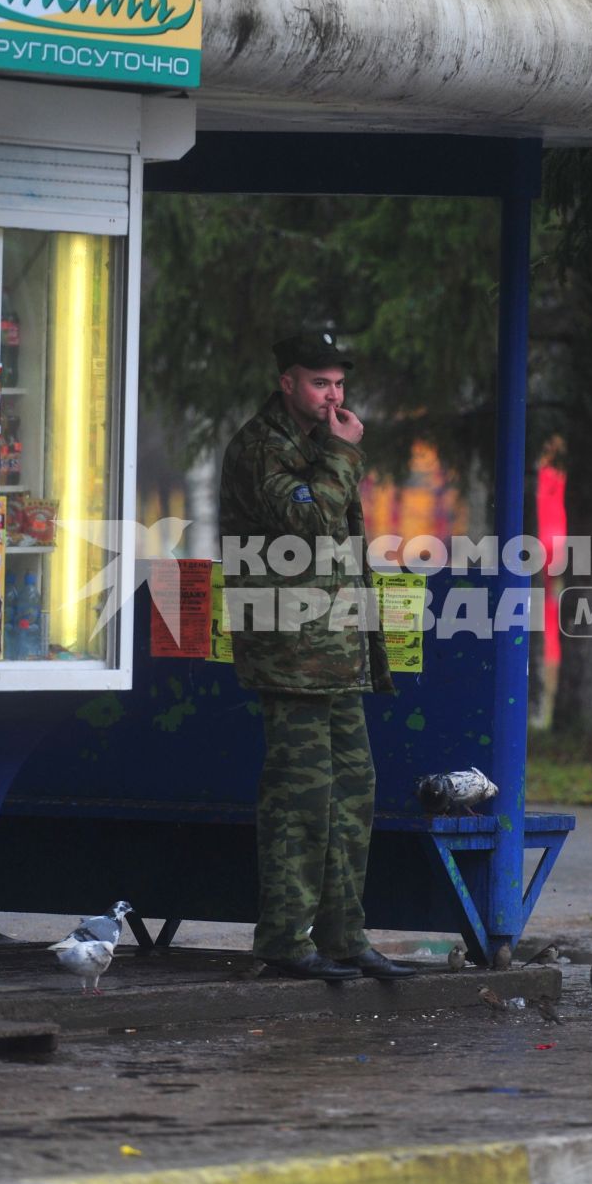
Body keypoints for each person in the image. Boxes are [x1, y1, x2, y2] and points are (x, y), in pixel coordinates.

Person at [218, 331, 413, 981]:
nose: (333, 395)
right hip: (287, 651)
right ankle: (282, 938)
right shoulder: (260, 448)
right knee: (300, 799)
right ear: (287, 383)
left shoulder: (321, 446)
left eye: (338, 383)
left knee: (354, 793)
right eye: (319, 382)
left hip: (336, 651)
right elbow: (310, 524)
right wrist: (343, 454)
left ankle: (342, 936)